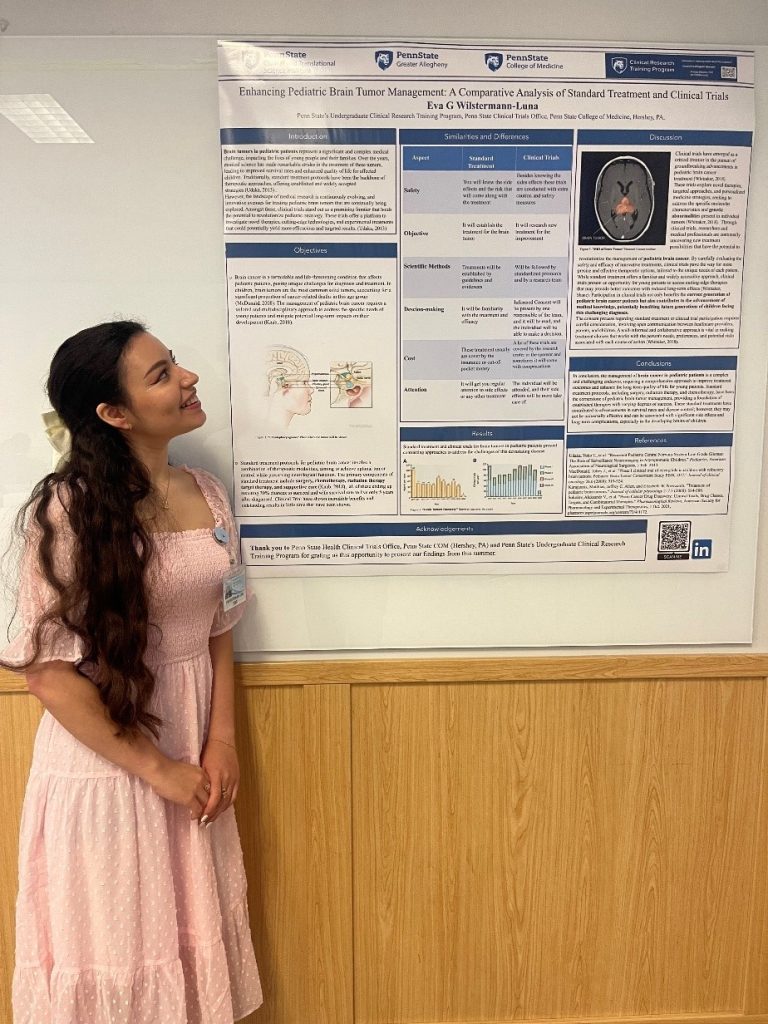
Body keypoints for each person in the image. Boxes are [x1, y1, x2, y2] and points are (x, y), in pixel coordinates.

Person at [1, 321, 263, 1023]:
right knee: (117, 956)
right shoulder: (68, 510)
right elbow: (48, 674)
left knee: (186, 951)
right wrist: (158, 770)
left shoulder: (206, 493)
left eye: (173, 363)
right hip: (108, 769)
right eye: (160, 374)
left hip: (193, 755)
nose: (187, 379)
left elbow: (219, 624)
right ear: (113, 414)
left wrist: (221, 742)